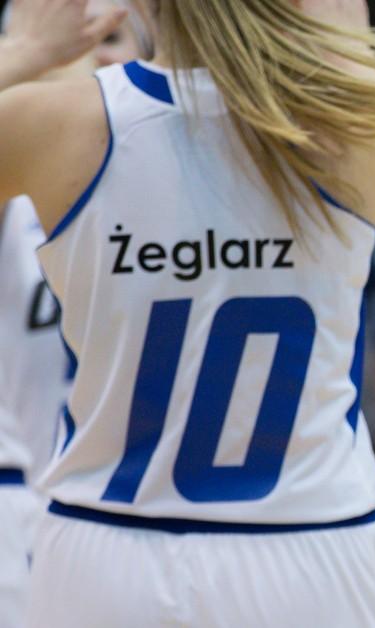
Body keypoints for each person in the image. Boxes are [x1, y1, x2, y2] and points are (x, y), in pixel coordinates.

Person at [0, 0, 375, 626]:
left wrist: (22, 55)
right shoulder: (351, 122)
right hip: (310, 547)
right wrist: (356, 64)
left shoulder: (54, 122)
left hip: (106, 550)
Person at [0, 1, 150, 625]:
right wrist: (24, 56)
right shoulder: (14, 187)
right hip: (22, 508)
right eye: (75, 41)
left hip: (155, 525)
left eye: (114, 37)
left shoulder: (185, 172)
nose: (99, 57)